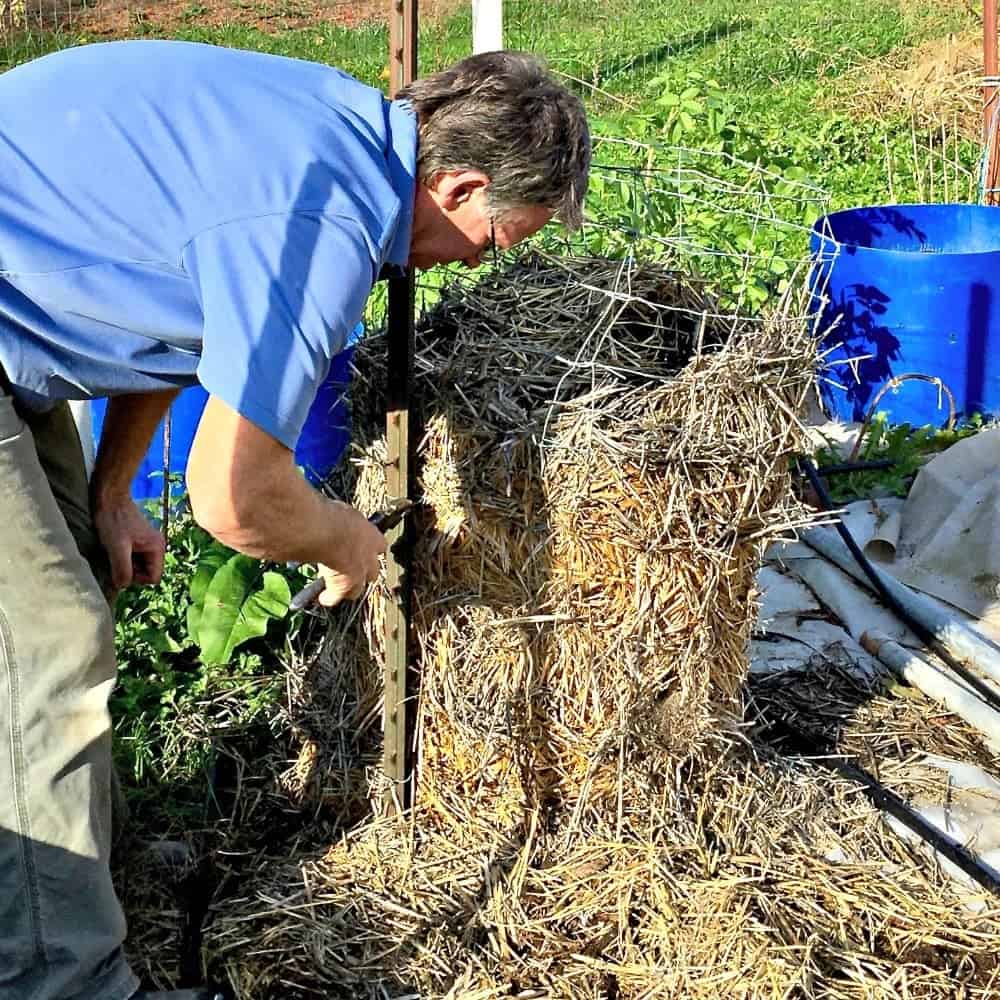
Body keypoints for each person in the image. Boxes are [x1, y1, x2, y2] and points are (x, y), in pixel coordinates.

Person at [0, 39, 589, 1000]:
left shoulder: (342, 128)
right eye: (493, 244)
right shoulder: (322, 218)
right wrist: (348, 540)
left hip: (23, 305)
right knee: (51, 650)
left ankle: (55, 890)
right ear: (459, 185)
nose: (472, 269)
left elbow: (185, 318)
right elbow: (234, 498)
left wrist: (112, 493)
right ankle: (58, 981)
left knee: (52, 617)